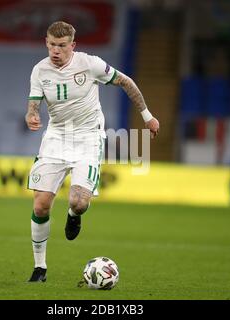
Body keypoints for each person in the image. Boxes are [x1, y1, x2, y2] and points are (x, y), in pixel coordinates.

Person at [25, 21, 160, 282]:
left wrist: (147, 116)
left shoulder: (89, 64)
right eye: (52, 44)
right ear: (46, 43)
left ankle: (74, 216)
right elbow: (33, 103)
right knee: (41, 206)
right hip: (55, 138)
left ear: (72, 46)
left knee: (79, 201)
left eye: (62, 46)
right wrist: (31, 115)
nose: (56, 50)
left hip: (88, 139)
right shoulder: (39, 71)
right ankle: (39, 267)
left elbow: (126, 82)